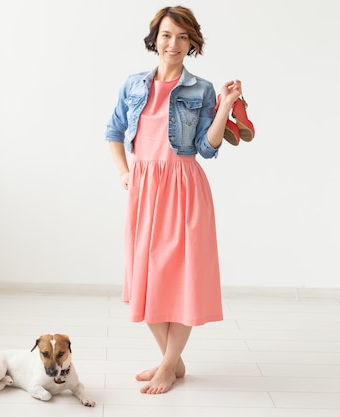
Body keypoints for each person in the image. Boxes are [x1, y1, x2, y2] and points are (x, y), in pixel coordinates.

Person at [104, 6, 253, 395]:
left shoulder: (200, 89)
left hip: (185, 188)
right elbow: (114, 131)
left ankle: (168, 366)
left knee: (183, 277)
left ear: (192, 43)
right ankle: (173, 360)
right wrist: (124, 172)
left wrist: (222, 107)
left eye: (183, 37)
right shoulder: (133, 85)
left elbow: (207, 147)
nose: (174, 44)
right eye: (167, 35)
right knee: (144, 277)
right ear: (155, 38)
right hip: (144, 190)